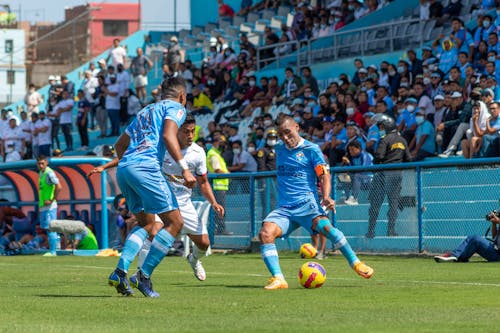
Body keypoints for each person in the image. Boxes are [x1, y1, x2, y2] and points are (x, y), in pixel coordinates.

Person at [89, 115, 225, 282]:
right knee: (151, 230)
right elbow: (131, 157)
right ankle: (140, 275)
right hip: (161, 197)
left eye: (192, 132)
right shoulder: (161, 146)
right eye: (186, 132)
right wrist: (104, 166)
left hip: (183, 201)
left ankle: (194, 259)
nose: (190, 136)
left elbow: (203, 183)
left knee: (204, 243)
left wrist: (214, 202)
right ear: (176, 131)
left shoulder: (198, 153)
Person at [103, 76, 196, 298]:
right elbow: (167, 135)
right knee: (175, 222)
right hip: (146, 167)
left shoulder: (145, 111)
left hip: (125, 169)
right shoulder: (176, 108)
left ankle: (120, 271)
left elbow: (119, 145)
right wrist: (184, 168)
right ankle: (143, 276)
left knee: (146, 223)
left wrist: (131, 163)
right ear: (182, 96)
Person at [259, 114, 373, 290]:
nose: (285, 138)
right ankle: (279, 278)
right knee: (266, 233)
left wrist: (326, 196)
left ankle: (356, 263)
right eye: (281, 135)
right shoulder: (280, 150)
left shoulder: (311, 150)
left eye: (288, 133)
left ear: (297, 127)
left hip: (307, 205)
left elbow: (324, 174)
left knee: (328, 229)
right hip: (285, 210)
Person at [367, 115, 412, 238]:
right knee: (393, 203)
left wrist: (374, 155)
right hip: (397, 175)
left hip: (382, 174)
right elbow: (408, 159)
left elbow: (379, 157)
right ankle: (391, 231)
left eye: (382, 127)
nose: (380, 129)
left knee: (375, 204)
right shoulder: (402, 140)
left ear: (387, 126)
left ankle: (371, 231)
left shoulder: (385, 139)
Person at [434, 210, 500, 263]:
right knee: (474, 239)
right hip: (495, 251)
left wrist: (498, 221)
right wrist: (494, 223)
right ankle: (457, 257)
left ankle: (454, 255)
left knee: (475, 238)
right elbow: (494, 238)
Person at [37, 155, 62, 256]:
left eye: (42, 163)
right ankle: (54, 248)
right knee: (47, 228)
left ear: (46, 162)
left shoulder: (49, 173)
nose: (41, 165)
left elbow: (59, 187)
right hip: (43, 205)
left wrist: (52, 200)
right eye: (39, 164)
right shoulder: (41, 173)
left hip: (50, 206)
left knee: (51, 227)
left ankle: (53, 251)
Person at [207, 135, 231, 235]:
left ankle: (219, 228)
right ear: (215, 142)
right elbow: (217, 170)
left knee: (219, 209)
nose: (223, 146)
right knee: (219, 209)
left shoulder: (217, 154)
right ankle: (220, 229)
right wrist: (229, 175)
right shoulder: (213, 154)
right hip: (217, 186)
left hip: (220, 186)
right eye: (221, 143)